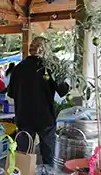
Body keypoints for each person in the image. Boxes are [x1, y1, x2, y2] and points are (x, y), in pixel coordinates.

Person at [8, 37, 68, 165]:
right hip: (45, 117)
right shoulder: (51, 68)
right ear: (46, 50)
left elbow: (11, 94)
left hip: (24, 117)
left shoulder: (18, 68)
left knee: (24, 156)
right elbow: (63, 91)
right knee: (48, 156)